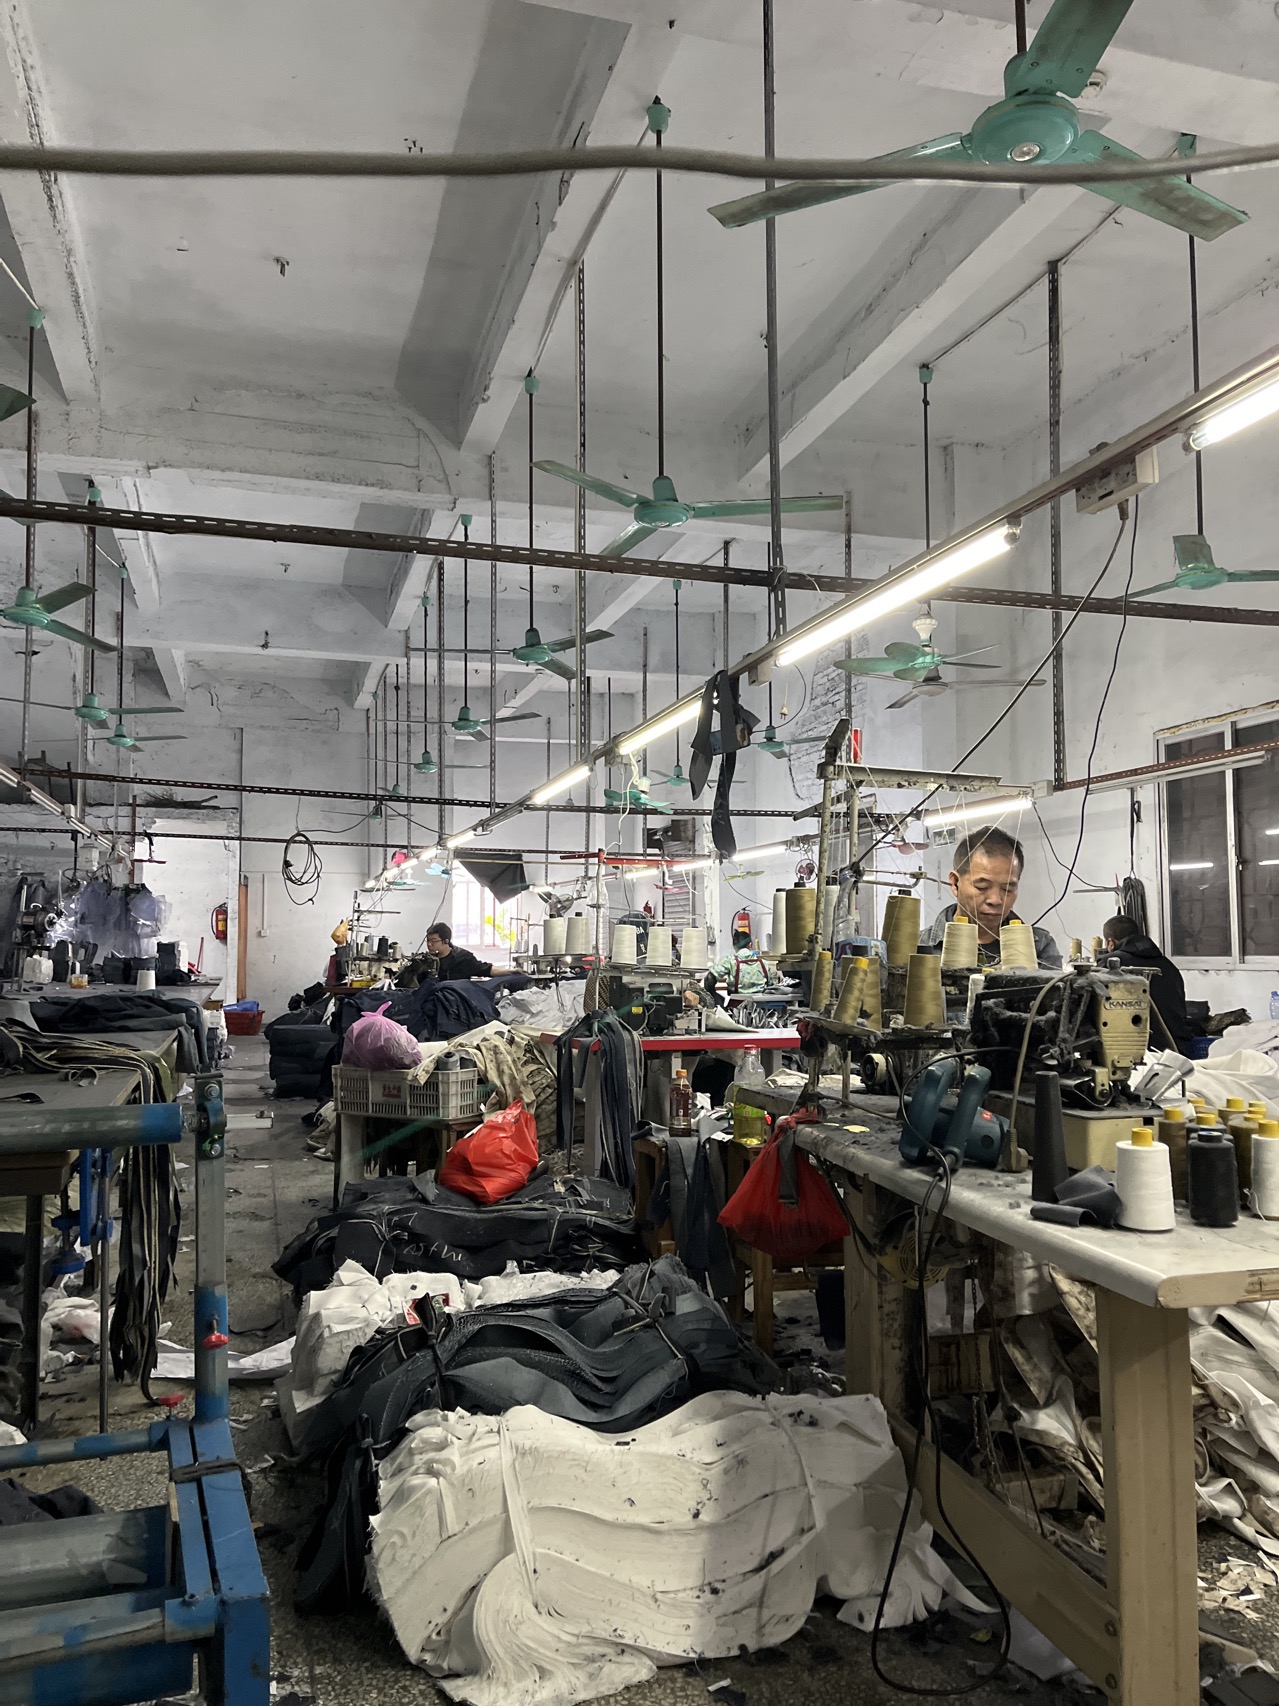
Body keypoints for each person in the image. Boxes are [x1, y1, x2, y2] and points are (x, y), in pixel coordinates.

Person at [919, 825, 1061, 968]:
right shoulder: (918, 947)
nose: (995, 900)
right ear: (955, 883)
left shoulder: (1039, 947)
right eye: (982, 887)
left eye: (1007, 889)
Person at [1101, 914, 1195, 1054]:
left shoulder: (1111, 963)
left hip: (1135, 1050)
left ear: (1110, 943)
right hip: (1176, 1048)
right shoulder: (1168, 966)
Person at [424, 922, 500, 982]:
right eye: (428, 940)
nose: (429, 944)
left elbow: (486, 970)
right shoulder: (426, 961)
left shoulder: (463, 959)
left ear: (446, 941)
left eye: (433, 941)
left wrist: (507, 970)